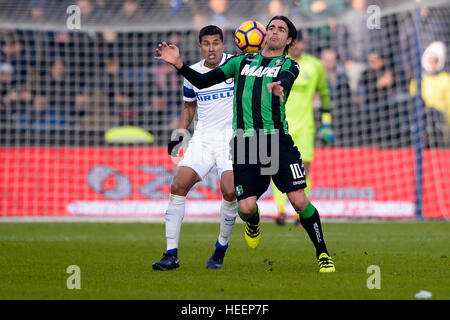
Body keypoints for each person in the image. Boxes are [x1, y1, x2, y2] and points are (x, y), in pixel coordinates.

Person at [155, 16, 335, 272]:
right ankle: (253, 221)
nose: (274, 32)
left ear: (289, 40)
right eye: (271, 27)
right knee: (246, 207)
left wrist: (279, 86)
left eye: (281, 30)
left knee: (299, 202)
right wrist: (179, 64)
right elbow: (204, 81)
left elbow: (285, 78)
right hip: (245, 143)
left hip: (276, 141)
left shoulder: (289, 64)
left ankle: (323, 253)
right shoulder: (242, 62)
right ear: (263, 33)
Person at [152, 25, 237, 271]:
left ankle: (221, 247)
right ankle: (171, 254)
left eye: (216, 43)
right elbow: (189, 107)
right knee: (178, 184)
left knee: (230, 191)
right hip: (203, 139)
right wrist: (180, 133)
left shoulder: (236, 66)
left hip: (231, 140)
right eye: (206, 44)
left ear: (223, 44)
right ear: (200, 46)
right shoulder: (193, 73)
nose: (212, 48)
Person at [271, 30, 333, 227]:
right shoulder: (278, 64)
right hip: (281, 125)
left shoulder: (315, 66)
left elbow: (324, 94)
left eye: (299, 42)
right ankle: (280, 210)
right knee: (276, 168)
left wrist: (327, 121)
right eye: (293, 42)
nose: (296, 46)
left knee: (304, 169)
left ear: (304, 44)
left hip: (306, 125)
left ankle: (301, 211)